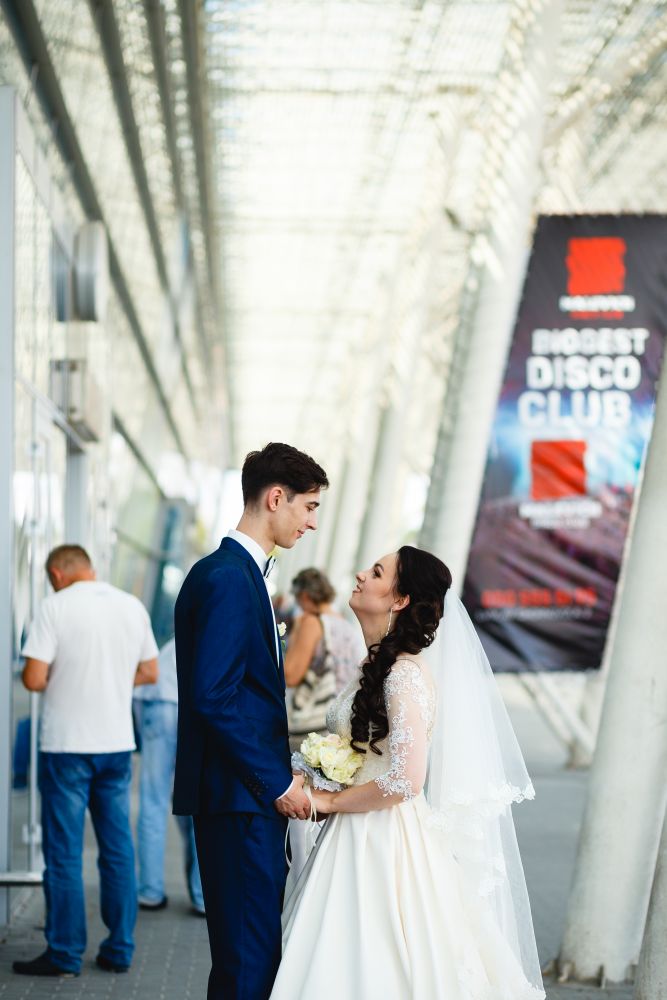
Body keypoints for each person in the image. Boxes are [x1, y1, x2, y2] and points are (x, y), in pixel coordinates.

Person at [271, 545, 546, 1000]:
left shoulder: (403, 676)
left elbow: (405, 779)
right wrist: (308, 774)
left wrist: (330, 801)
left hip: (383, 840)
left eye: (377, 572)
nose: (361, 574)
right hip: (352, 829)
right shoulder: (374, 666)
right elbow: (360, 752)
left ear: (399, 600)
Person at [173, 442, 329, 1000]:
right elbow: (213, 696)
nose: (312, 522)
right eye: (309, 507)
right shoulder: (227, 578)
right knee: (248, 962)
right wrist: (278, 783)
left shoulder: (238, 574)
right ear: (276, 498)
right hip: (239, 797)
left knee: (250, 957)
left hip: (240, 795)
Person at [13, 545, 159, 979]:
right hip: (116, 745)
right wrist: (111, 682)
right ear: (90, 570)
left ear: (57, 574)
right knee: (117, 849)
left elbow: (33, 677)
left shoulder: (54, 607)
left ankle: (64, 953)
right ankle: (119, 948)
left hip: (66, 747)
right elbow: (150, 671)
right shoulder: (131, 606)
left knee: (64, 853)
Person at [133, 636, 205, 915]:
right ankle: (202, 895)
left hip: (158, 703)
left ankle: (150, 891)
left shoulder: (168, 640)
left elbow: (140, 696)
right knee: (200, 801)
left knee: (153, 801)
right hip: (196, 709)